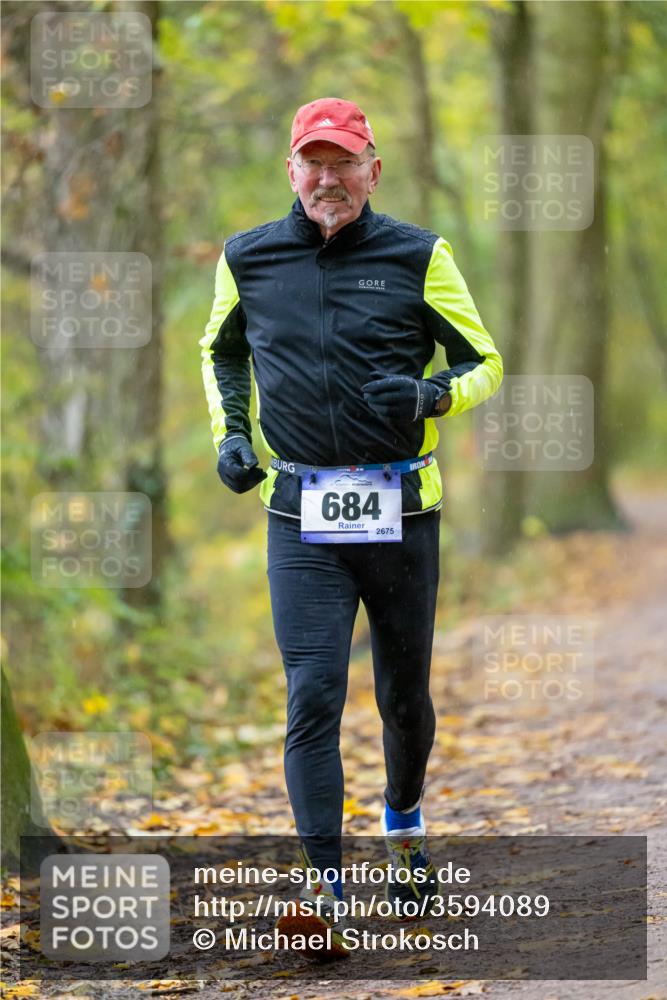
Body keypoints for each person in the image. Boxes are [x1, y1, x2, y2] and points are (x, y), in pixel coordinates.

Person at [200, 97, 503, 956]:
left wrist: (432, 396)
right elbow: (220, 350)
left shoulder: (419, 255)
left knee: (403, 696)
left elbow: (484, 361)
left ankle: (403, 824)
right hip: (299, 513)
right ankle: (325, 889)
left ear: (373, 171)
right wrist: (230, 435)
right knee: (313, 693)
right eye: (314, 163)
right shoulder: (247, 257)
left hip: (401, 509)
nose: (327, 179)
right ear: (291, 171)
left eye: (343, 163)